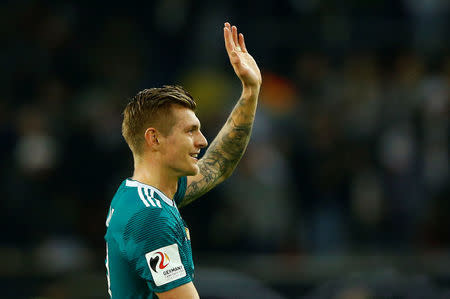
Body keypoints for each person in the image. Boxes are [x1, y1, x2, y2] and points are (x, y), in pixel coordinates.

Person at [104, 22, 262, 299]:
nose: (202, 141)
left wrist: (250, 91)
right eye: (190, 131)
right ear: (154, 139)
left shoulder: (143, 194)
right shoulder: (150, 217)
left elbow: (218, 164)